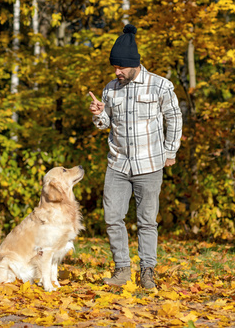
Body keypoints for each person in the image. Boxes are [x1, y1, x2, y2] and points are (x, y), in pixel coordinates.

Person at [88, 24, 183, 289]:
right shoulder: (110, 88)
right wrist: (98, 114)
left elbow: (174, 117)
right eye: (114, 68)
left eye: (121, 68)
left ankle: (148, 272)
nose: (116, 72)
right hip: (117, 163)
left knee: (146, 221)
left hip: (149, 163)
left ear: (134, 64)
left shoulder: (159, 86)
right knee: (112, 218)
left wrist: (170, 151)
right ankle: (121, 271)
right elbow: (107, 122)